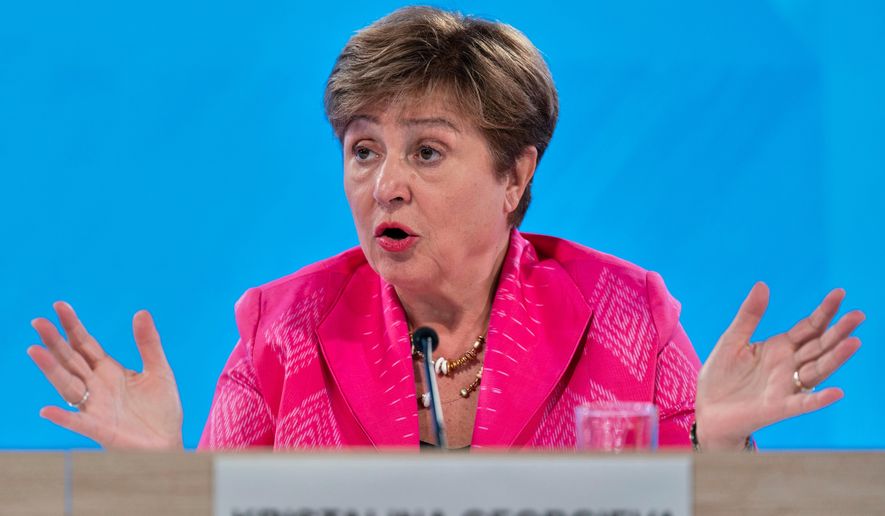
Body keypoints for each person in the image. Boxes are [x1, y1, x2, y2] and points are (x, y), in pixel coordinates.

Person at [27, 6, 864, 451]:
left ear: (514, 176)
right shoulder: (282, 328)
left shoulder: (626, 311)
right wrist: (159, 482)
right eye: (363, 150)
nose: (384, 184)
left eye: (427, 151)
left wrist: (716, 459)